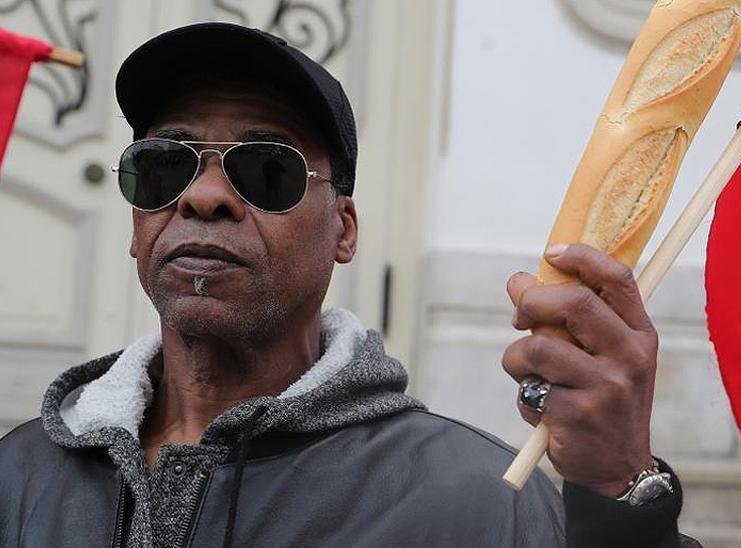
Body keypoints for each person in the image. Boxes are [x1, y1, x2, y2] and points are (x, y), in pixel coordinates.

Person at [0, 22, 696, 547]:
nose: (203, 195)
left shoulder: (478, 503)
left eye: (265, 169)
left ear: (345, 230)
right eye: (163, 166)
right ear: (135, 220)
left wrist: (619, 491)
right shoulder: (22, 477)